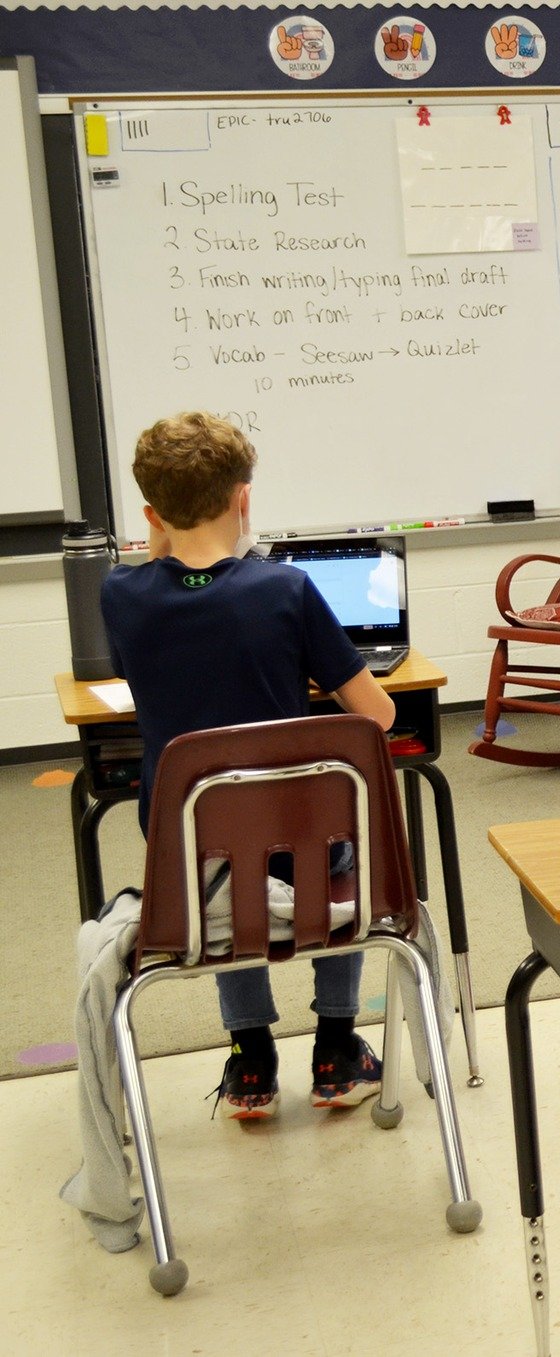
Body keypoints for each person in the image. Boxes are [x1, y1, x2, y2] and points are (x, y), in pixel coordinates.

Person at [101, 412, 396, 1119]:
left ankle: (250, 1060)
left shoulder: (120, 595)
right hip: (303, 856)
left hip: (193, 872)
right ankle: (335, 1044)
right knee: (331, 833)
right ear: (244, 499)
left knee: (222, 843)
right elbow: (378, 717)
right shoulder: (285, 590)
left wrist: (161, 549)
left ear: (152, 513)